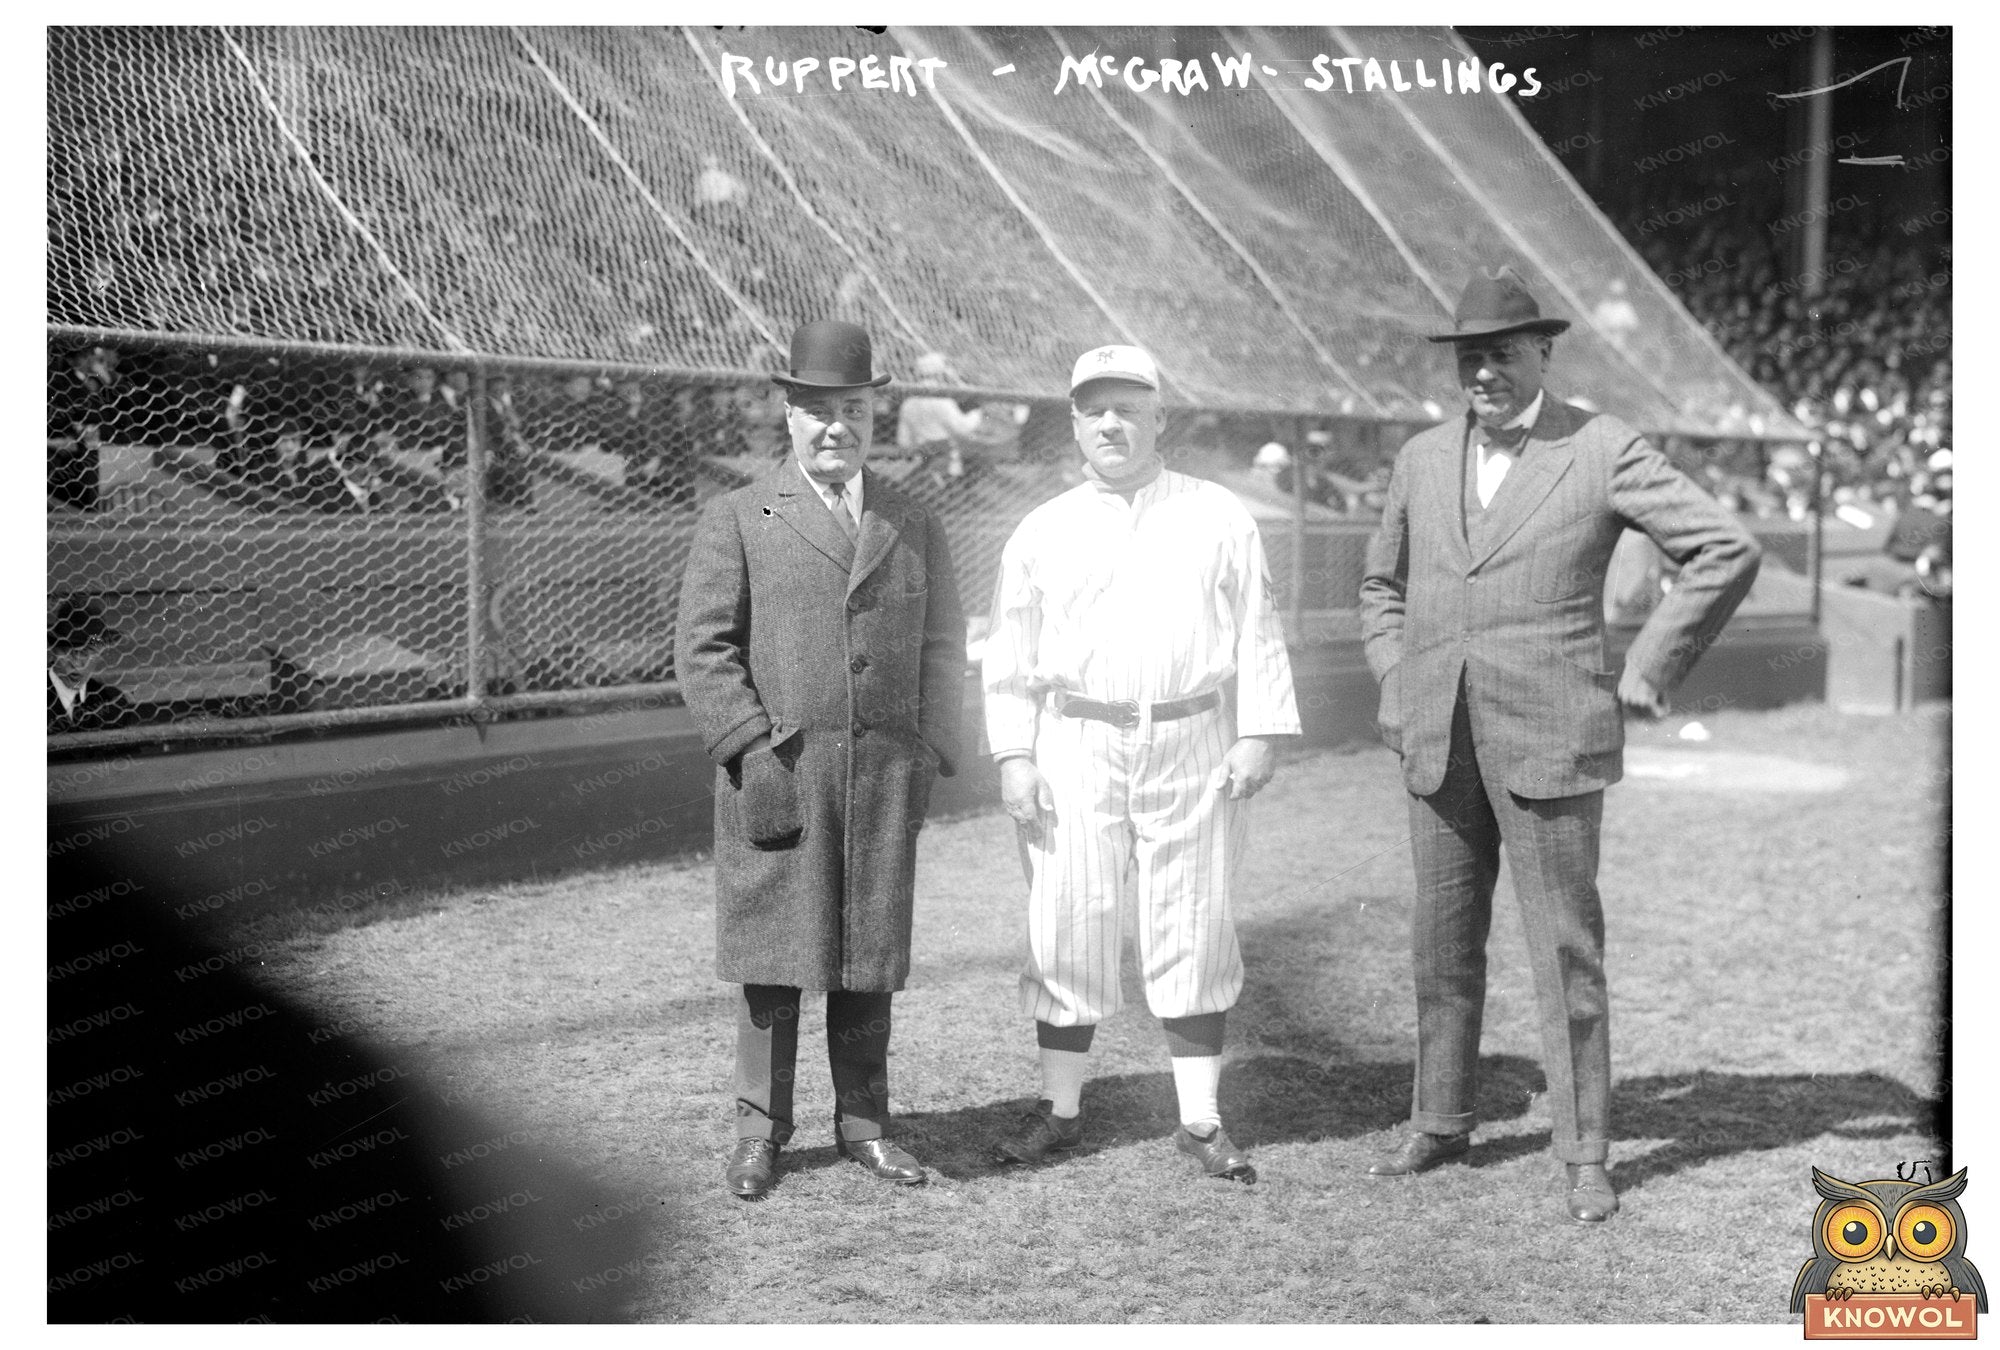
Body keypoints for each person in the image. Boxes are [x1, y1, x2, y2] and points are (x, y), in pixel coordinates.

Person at [1358, 268, 1760, 1222]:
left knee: (1565, 955)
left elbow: (1723, 546)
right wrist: (1393, 678)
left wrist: (1651, 668)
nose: (1484, 373)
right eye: (1470, 357)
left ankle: (1584, 1151)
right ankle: (1441, 1118)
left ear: (1544, 352)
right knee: (1441, 947)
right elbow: (1381, 587)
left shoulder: (1600, 446)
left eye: (1502, 353)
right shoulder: (1420, 456)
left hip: (1550, 738)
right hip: (1437, 737)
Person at [982, 345, 1300, 1183]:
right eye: (1096, 410)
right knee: (1068, 922)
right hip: (1073, 742)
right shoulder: (1041, 527)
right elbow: (1008, 655)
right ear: (1076, 423)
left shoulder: (1218, 512)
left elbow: (1256, 631)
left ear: (1162, 418)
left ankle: (1199, 1120)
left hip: (1191, 734)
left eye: (1130, 407)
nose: (1112, 423)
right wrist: (1014, 754)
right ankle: (1060, 1111)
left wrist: (1258, 730)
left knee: (1192, 920)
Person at [674, 320, 966, 1201]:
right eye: (817, 411)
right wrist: (749, 750)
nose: (835, 428)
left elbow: (945, 647)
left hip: (880, 778)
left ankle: (866, 1126)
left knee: (867, 957)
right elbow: (703, 649)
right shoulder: (738, 515)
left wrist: (927, 751)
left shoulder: (913, 518)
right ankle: (760, 1134)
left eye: (852, 411)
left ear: (873, 415)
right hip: (780, 776)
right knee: (773, 961)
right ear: (789, 415)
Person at [48, 597, 138, 733]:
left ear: (100, 654)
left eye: (87, 652)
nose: (77, 663)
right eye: (68, 651)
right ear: (53, 649)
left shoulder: (113, 703)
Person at [895, 352, 983, 488]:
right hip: (943, 454)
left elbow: (903, 441)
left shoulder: (908, 402)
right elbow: (962, 428)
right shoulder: (941, 400)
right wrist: (976, 412)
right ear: (939, 374)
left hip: (920, 455)